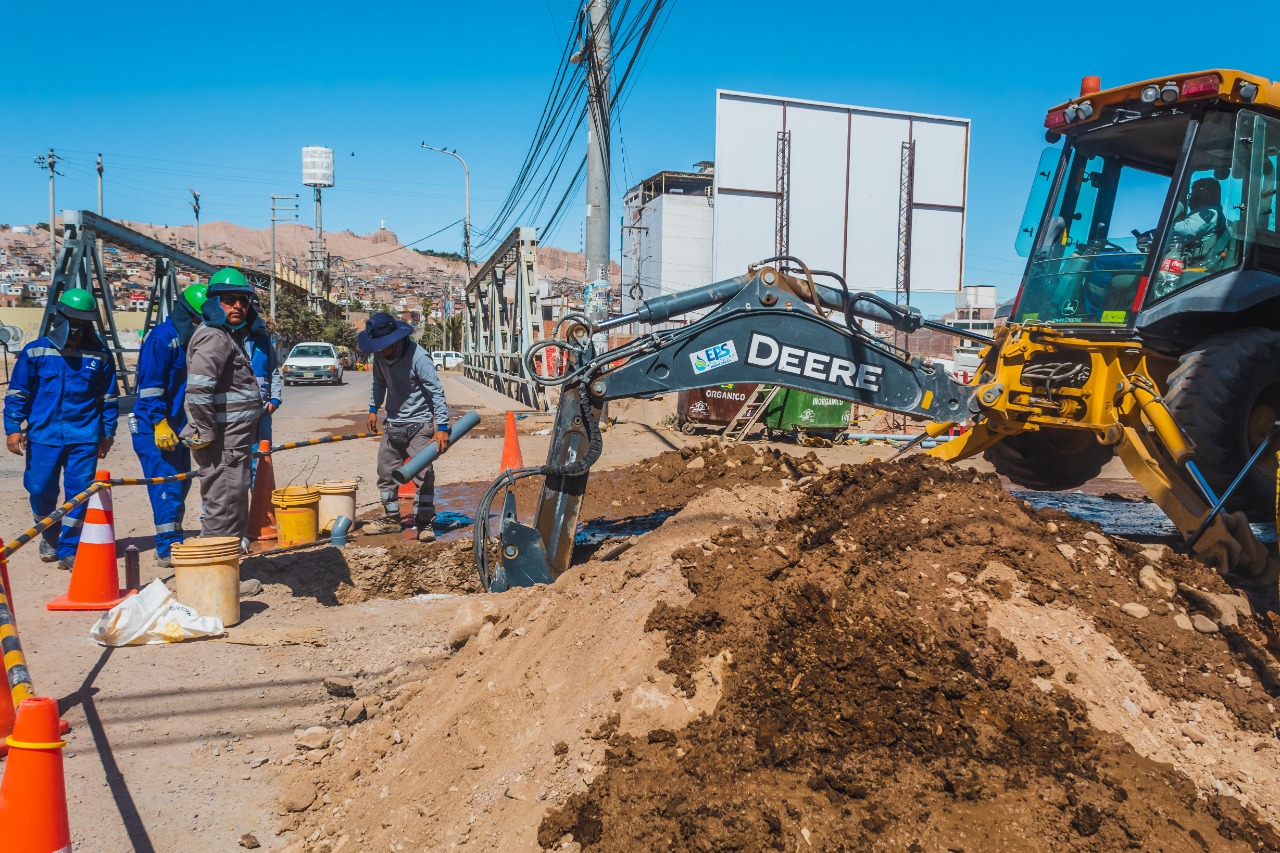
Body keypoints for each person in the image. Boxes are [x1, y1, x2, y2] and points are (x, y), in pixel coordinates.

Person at [4, 289, 118, 569]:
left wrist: (107, 433)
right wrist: (13, 427)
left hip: (85, 436)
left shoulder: (100, 356)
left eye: (85, 323)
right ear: (60, 318)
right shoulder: (36, 351)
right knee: (40, 488)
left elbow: (109, 398)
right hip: (45, 436)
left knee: (79, 492)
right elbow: (18, 393)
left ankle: (69, 546)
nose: (79, 329)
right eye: (74, 322)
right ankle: (50, 535)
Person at [182, 269, 263, 545]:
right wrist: (206, 432)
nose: (239, 306)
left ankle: (229, 577)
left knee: (233, 508)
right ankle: (216, 582)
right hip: (223, 443)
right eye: (230, 299)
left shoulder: (228, 335)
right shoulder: (215, 337)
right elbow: (198, 389)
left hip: (233, 443)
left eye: (243, 300)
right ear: (214, 302)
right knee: (224, 512)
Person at [131, 283, 208, 568]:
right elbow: (150, 387)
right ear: (189, 317)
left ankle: (171, 536)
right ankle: (168, 548)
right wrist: (159, 422)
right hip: (155, 426)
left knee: (181, 484)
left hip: (179, 427)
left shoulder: (191, 341)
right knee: (167, 487)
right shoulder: (162, 340)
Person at [359, 313, 450, 541]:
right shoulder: (380, 357)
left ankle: (425, 522)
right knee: (386, 473)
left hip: (419, 425)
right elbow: (378, 383)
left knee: (424, 475)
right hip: (393, 424)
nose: (382, 351)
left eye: (385, 346)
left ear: (396, 339)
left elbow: (436, 392)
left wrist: (442, 426)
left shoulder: (419, 358)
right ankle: (390, 518)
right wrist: (373, 409)